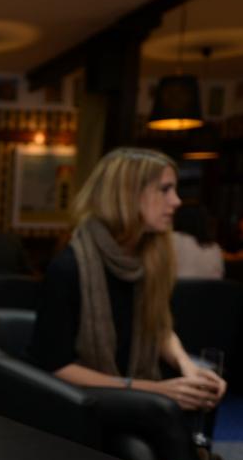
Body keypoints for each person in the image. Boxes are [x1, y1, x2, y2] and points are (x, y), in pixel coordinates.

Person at [30, 147, 226, 418]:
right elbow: (55, 366)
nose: (177, 201)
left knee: (191, 403)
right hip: (81, 403)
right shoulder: (69, 267)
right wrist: (154, 391)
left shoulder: (152, 257)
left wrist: (188, 366)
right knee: (169, 418)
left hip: (135, 388)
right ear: (126, 195)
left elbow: (159, 328)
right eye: (165, 189)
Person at [171, 202, 224, 279]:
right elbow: (218, 277)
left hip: (177, 286)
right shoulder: (215, 247)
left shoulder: (173, 239)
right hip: (208, 287)